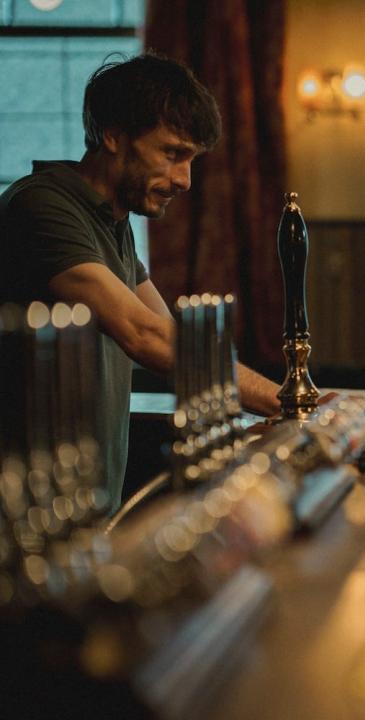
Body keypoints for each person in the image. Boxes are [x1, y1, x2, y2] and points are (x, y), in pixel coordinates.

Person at [0, 53, 280, 510]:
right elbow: (145, 334)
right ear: (113, 135)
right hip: (25, 517)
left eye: (191, 159)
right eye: (172, 154)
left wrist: (278, 400)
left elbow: (174, 333)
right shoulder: (42, 207)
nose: (185, 180)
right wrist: (285, 400)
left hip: (83, 507)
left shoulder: (112, 220)